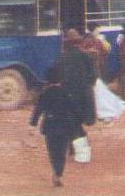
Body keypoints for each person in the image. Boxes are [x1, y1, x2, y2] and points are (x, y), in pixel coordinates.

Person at [30, 67, 79, 188]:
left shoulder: (45, 93)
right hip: (64, 126)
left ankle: (55, 170)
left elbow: (38, 110)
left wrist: (33, 123)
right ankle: (58, 173)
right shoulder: (67, 92)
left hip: (50, 126)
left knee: (53, 151)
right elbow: (74, 110)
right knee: (62, 152)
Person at [59, 28, 98, 161]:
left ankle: (81, 152)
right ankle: (75, 149)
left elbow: (60, 77)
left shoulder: (63, 58)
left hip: (69, 96)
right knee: (76, 123)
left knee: (72, 123)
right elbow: (94, 76)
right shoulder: (86, 56)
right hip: (85, 96)